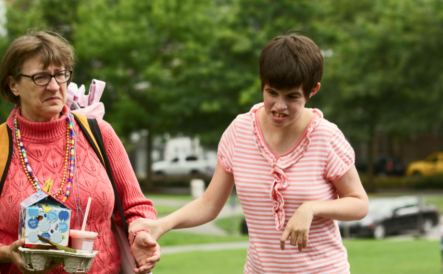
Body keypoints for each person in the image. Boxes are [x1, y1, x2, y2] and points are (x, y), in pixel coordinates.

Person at [129, 34, 369, 273]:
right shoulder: (239, 132)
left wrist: (312, 208)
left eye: (292, 96)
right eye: (271, 92)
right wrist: (162, 224)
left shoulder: (326, 137)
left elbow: (359, 203)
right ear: (262, 84)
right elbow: (209, 204)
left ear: (312, 91)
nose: (279, 106)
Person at [0, 30, 160, 274]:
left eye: (60, 75)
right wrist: (5, 254)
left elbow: (136, 207)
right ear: (13, 85)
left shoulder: (100, 134)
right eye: (40, 77)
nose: (53, 86)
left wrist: (142, 233)